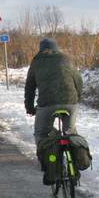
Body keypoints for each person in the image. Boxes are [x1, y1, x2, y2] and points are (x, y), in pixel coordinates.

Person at [24, 38, 83, 180]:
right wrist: (77, 98)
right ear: (56, 48)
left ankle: (47, 164)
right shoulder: (66, 59)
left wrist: (30, 107)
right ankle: (74, 164)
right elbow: (78, 81)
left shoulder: (36, 62)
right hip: (70, 103)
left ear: (41, 49)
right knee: (70, 132)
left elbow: (30, 88)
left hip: (47, 105)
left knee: (41, 133)